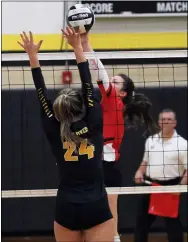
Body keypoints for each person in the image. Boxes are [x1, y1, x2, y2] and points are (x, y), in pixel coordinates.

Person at [17, 29, 114, 242]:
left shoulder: (54, 129)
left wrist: (33, 57)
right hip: (96, 204)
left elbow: (41, 93)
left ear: (58, 111)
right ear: (82, 107)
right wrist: (78, 47)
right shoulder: (94, 124)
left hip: (66, 207)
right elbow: (89, 86)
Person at [80, 33, 158, 242]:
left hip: (105, 165)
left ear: (122, 92)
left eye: (115, 81)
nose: (110, 81)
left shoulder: (113, 98)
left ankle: (114, 238)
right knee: (101, 210)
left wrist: (85, 43)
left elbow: (98, 71)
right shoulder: (107, 103)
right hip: (102, 163)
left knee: (107, 209)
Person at [134, 108, 187, 242]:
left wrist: (180, 187)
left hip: (171, 186)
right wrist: (140, 172)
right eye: (163, 119)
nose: (166, 122)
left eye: (169, 119)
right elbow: (144, 162)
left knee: (173, 224)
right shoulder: (151, 140)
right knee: (142, 222)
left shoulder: (182, 143)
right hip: (151, 185)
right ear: (159, 123)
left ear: (175, 123)